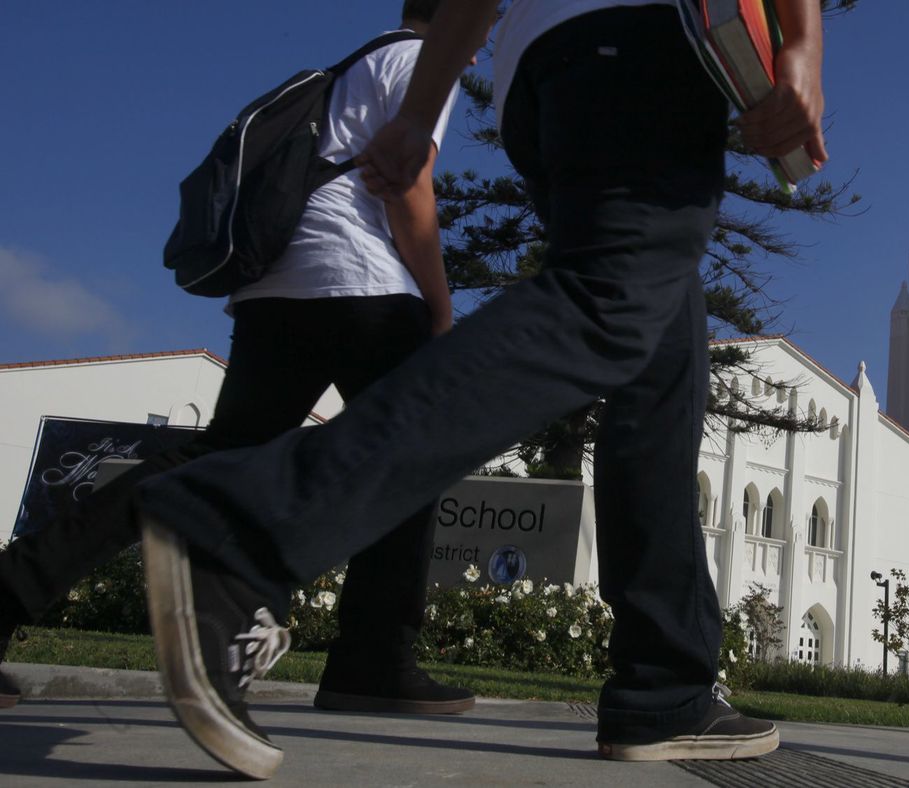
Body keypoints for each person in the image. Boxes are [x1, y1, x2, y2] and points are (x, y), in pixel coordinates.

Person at [129, 0, 827, 778]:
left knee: (662, 374)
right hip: (636, 42)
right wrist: (801, 44)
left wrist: (418, 113)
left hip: (546, 72)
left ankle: (668, 684)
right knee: (606, 305)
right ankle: (239, 530)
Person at [0, 0, 474, 718]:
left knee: (213, 457)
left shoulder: (349, 66)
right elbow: (410, 187)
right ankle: (373, 660)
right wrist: (440, 308)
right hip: (362, 283)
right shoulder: (416, 61)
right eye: (482, 28)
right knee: (409, 458)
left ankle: (13, 587)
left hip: (276, 288)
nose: (477, 50)